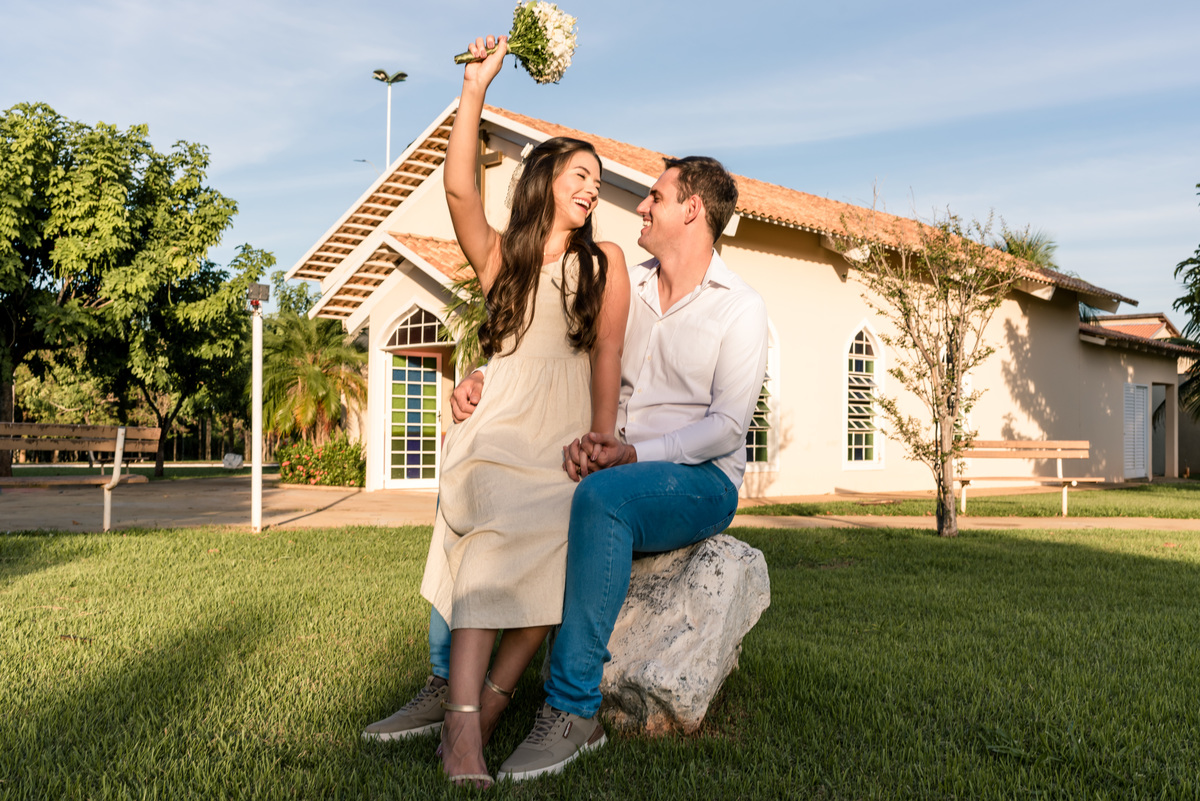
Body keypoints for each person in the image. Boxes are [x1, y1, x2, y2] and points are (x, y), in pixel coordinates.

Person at [358, 34, 629, 790]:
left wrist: (601, 439)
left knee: (564, 538)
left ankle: (482, 707)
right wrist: (475, 88)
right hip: (497, 428)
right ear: (545, 181)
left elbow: (607, 355)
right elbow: (459, 195)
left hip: (564, 433)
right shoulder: (502, 257)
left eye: (598, 180)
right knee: (497, 518)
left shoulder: (603, 266)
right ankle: (461, 723)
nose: (592, 189)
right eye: (580, 175)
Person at [449, 153, 769, 781]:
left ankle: (573, 710)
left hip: (699, 481)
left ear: (692, 210)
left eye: (656, 197)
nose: (641, 207)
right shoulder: (623, 281)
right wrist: (486, 375)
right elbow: (555, 346)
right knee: (530, 492)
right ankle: (465, 697)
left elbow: (729, 427)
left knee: (604, 500)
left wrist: (630, 454)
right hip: (616, 462)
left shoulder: (740, 307)